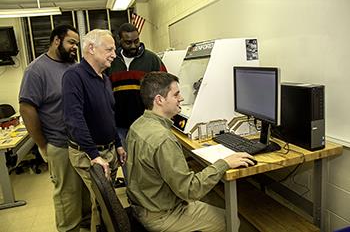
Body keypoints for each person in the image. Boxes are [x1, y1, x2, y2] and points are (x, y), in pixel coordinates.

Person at [126, 71, 256, 232]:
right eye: (176, 94)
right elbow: (189, 190)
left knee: (213, 198)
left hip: (142, 204)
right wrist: (224, 163)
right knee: (231, 219)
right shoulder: (163, 139)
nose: (181, 98)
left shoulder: (137, 125)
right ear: (159, 100)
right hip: (161, 215)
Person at [19, 25, 91, 232]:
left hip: (80, 143)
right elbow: (26, 109)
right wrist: (43, 145)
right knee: (68, 195)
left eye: (77, 44)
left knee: (85, 191)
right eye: (71, 42)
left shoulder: (73, 66)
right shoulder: (36, 70)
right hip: (58, 144)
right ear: (56, 41)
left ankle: (86, 226)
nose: (75, 47)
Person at [62, 29, 127, 232]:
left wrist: (117, 144)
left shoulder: (104, 78)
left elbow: (109, 115)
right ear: (91, 48)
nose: (114, 54)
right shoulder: (74, 76)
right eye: (109, 49)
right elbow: (74, 119)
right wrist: (93, 154)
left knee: (104, 203)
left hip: (108, 151)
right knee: (103, 205)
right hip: (89, 154)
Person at [107, 23, 167, 183]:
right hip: (119, 123)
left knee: (148, 162)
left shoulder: (152, 60)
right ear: (119, 41)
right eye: (128, 42)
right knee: (126, 162)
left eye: (136, 40)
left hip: (145, 123)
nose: (133, 45)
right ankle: (132, 195)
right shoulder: (111, 61)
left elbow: (165, 88)